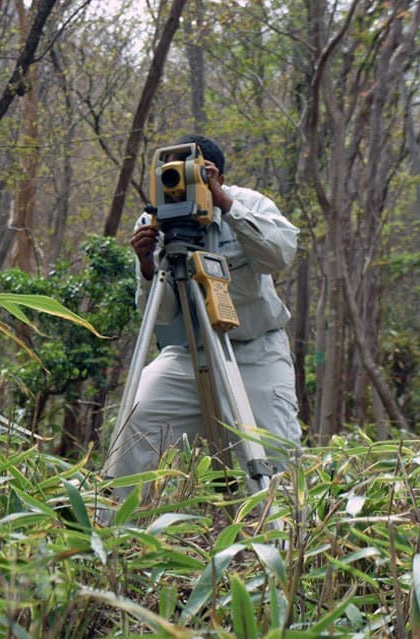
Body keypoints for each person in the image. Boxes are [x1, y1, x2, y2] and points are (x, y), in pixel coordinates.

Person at [104, 134, 301, 497]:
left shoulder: (247, 203)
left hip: (254, 351)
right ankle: (116, 521)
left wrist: (223, 202)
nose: (179, 184)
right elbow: (160, 314)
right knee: (137, 416)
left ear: (218, 176)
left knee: (273, 455)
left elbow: (279, 255)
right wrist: (147, 265)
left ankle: (282, 531)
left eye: (192, 173)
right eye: (171, 174)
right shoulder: (154, 218)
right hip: (187, 351)